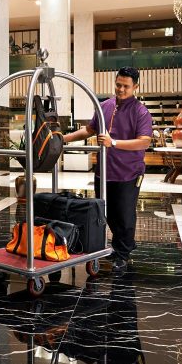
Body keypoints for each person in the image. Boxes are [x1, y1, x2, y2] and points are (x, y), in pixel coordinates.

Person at [62, 66, 152, 273]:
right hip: (104, 172)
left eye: (126, 86)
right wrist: (62, 138)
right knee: (106, 213)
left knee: (124, 215)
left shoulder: (141, 111)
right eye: (118, 85)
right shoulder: (104, 106)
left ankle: (122, 253)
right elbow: (89, 130)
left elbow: (144, 141)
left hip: (129, 173)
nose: (121, 89)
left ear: (136, 87)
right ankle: (124, 244)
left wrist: (114, 143)